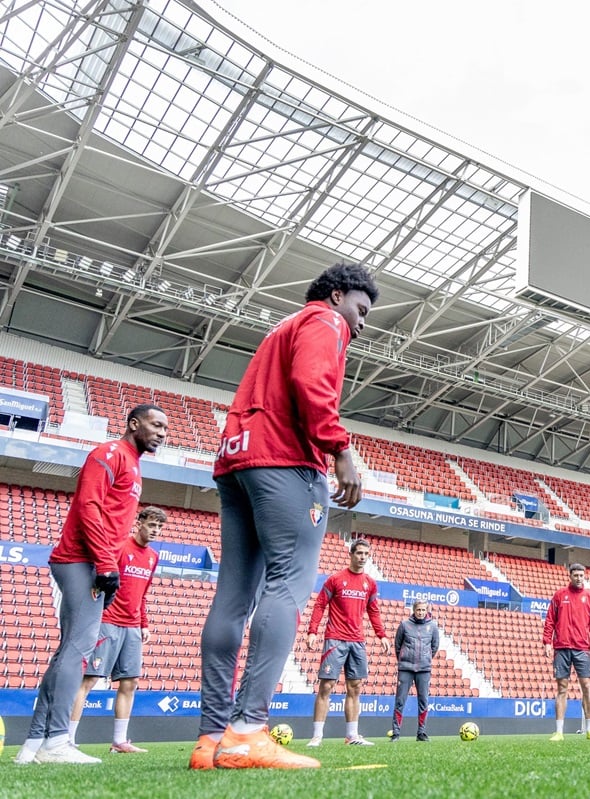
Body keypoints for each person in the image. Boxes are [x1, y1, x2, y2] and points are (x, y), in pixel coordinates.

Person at [192, 262, 378, 770]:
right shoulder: (325, 322)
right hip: (284, 460)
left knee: (232, 594)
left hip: (237, 460)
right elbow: (310, 381)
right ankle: (248, 730)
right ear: (337, 295)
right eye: (361, 310)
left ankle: (211, 740)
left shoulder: (284, 326)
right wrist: (339, 448)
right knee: (288, 585)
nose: (361, 324)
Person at [15, 404, 169, 765]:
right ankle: (56, 741)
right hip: (80, 560)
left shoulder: (133, 463)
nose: (162, 432)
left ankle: (35, 743)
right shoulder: (109, 453)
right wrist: (105, 563)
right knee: (78, 649)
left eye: (166, 428)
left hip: (91, 561)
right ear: (134, 424)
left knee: (68, 651)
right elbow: (88, 506)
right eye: (156, 424)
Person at [67, 506, 169, 753]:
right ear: (140, 523)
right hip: (108, 621)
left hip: (133, 627)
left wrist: (144, 623)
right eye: (151, 525)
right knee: (90, 680)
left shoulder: (153, 557)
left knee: (130, 682)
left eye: (159, 527)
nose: (155, 530)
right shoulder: (121, 548)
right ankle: (67, 739)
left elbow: (143, 594)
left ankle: (119, 742)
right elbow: (101, 580)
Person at [305, 538, 391, 747]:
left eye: (366, 554)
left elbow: (373, 610)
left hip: (357, 641)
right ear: (351, 554)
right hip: (335, 639)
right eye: (359, 553)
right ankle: (317, 736)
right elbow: (319, 605)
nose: (363, 558)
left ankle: (351, 735)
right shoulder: (335, 579)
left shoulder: (370, 583)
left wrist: (382, 635)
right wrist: (312, 631)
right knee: (327, 685)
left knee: (355, 687)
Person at [542, 562, 590, 741]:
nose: (579, 578)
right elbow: (550, 620)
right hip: (561, 647)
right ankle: (559, 732)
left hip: (582, 648)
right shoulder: (560, 596)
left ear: (585, 576)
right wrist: (547, 642)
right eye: (575, 575)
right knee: (562, 688)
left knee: (587, 686)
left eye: (581, 575)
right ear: (570, 576)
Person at [390, 600, 440, 741]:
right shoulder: (404, 625)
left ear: (427, 610)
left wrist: (426, 658)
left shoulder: (433, 627)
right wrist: (404, 659)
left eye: (423, 610)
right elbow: (397, 646)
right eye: (418, 610)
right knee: (400, 701)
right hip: (406, 668)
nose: (421, 612)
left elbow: (434, 647)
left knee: (423, 701)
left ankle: (421, 733)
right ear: (414, 610)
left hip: (424, 669)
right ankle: (396, 733)